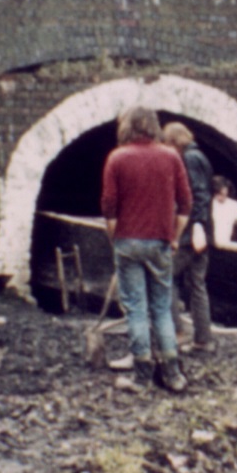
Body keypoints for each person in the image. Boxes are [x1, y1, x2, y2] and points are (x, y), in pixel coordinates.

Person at [102, 107, 192, 392]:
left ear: (127, 127)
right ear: (154, 126)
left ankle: (142, 377)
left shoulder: (117, 157)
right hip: (160, 242)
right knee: (162, 308)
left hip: (128, 241)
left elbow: (109, 207)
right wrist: (174, 237)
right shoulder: (171, 156)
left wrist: (115, 240)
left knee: (136, 310)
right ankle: (173, 375)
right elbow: (186, 204)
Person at [162, 122, 214, 354]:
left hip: (192, 232)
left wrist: (197, 226)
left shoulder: (190, 159)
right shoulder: (200, 156)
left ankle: (177, 332)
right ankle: (203, 339)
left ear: (174, 142)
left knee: (165, 276)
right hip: (201, 231)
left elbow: (199, 193)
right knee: (197, 284)